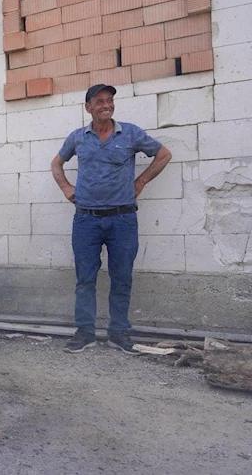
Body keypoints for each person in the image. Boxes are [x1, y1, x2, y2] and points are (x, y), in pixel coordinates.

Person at [52, 84, 172, 355]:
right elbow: (56, 164)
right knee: (85, 278)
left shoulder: (130, 133)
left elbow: (163, 154)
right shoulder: (77, 137)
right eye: (99, 101)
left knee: (122, 278)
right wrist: (65, 188)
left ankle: (119, 333)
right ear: (88, 107)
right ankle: (85, 332)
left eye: (110, 100)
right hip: (86, 220)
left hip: (122, 219)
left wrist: (141, 180)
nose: (106, 105)